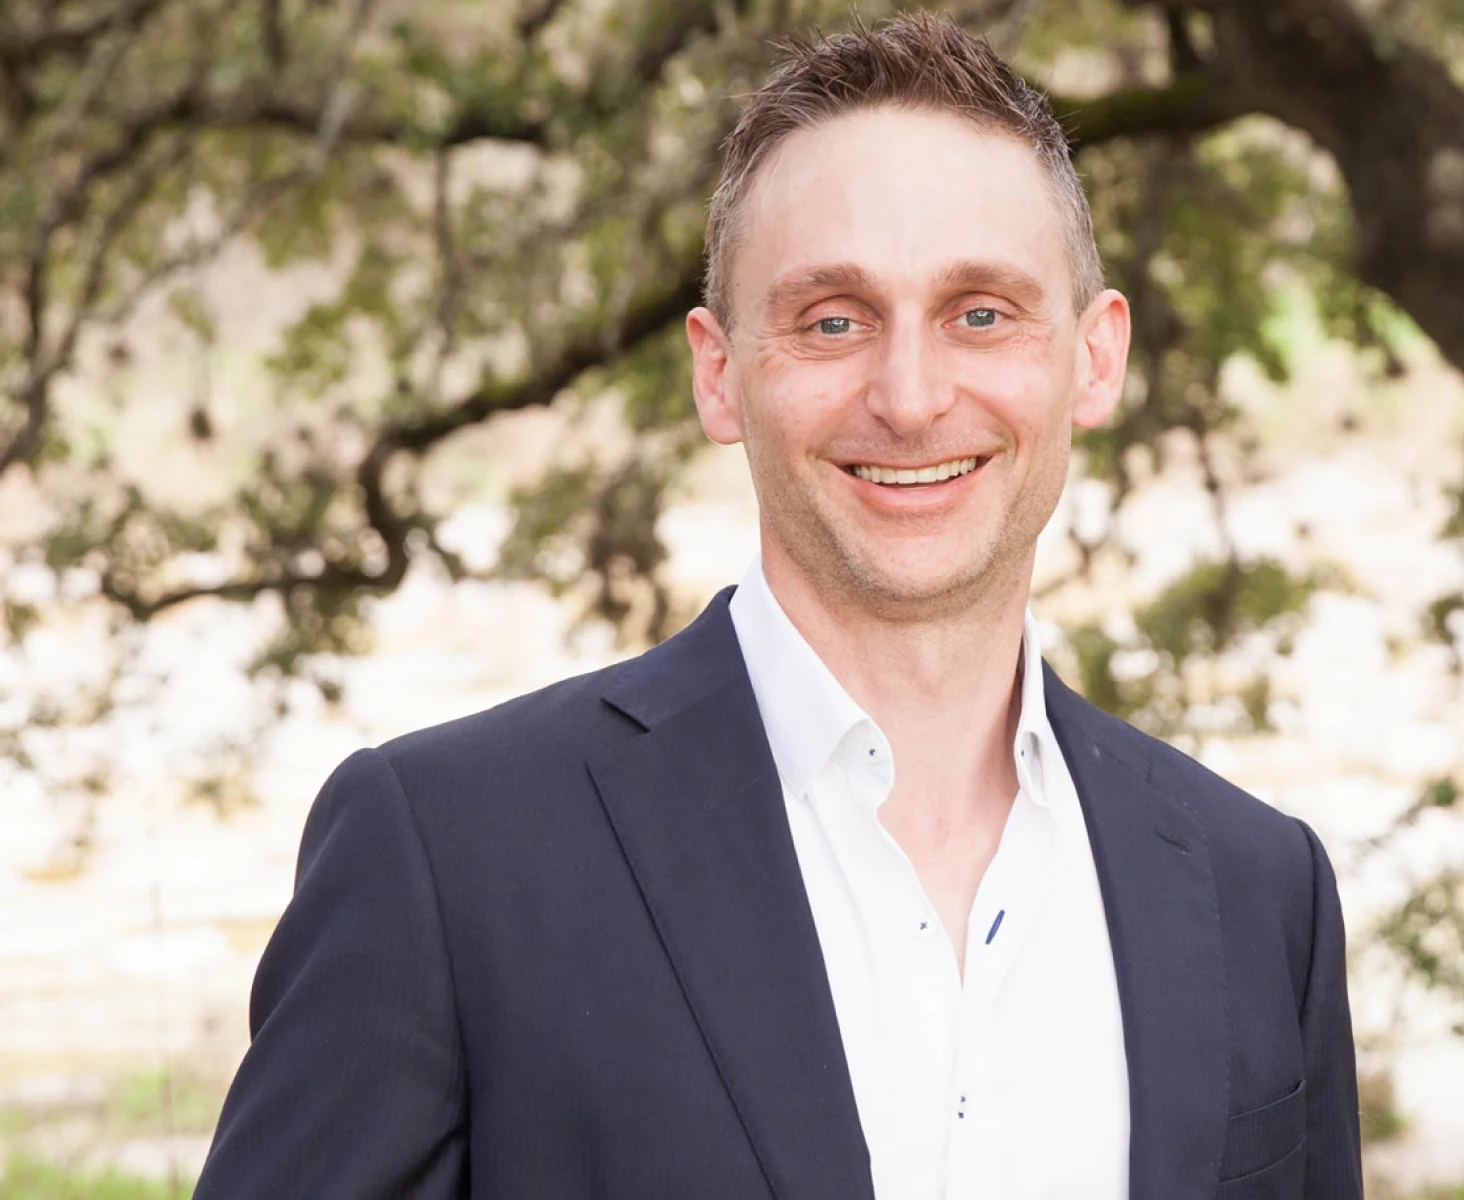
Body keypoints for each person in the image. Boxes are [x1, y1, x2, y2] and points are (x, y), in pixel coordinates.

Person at [195, 12, 1362, 1199]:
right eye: (833, 321)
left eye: (981, 313)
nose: (909, 397)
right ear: (720, 372)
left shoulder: (1259, 891)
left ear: (1093, 359)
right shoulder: (445, 857)